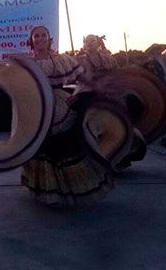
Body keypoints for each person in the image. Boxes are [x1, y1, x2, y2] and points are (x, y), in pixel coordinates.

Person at [20, 26, 115, 207]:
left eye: (43, 35)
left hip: (59, 105)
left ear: (49, 39)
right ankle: (47, 188)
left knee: (62, 145)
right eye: (36, 36)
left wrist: (95, 89)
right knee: (40, 146)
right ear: (32, 40)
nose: (40, 39)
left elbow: (81, 77)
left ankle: (68, 188)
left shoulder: (61, 60)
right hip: (37, 106)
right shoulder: (28, 63)